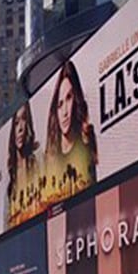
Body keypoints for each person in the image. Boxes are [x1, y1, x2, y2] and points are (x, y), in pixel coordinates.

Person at [43, 60, 97, 205]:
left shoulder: (87, 141)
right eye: (60, 105)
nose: (65, 112)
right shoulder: (50, 155)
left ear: (76, 99)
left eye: (69, 98)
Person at [6, 102, 42, 228]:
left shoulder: (38, 163)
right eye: (16, 123)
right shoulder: (9, 182)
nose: (20, 128)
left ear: (29, 124)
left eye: (24, 120)